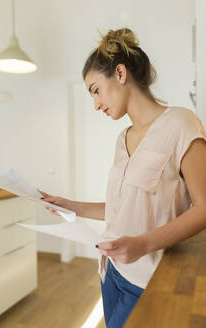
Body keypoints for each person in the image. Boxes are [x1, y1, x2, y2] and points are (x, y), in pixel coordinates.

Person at [39, 28, 206, 328]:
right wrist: (69, 205)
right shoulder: (122, 138)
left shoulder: (182, 123)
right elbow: (122, 207)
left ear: (119, 73)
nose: (96, 104)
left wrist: (143, 244)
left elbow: (204, 206)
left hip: (145, 283)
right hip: (109, 273)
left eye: (95, 90)